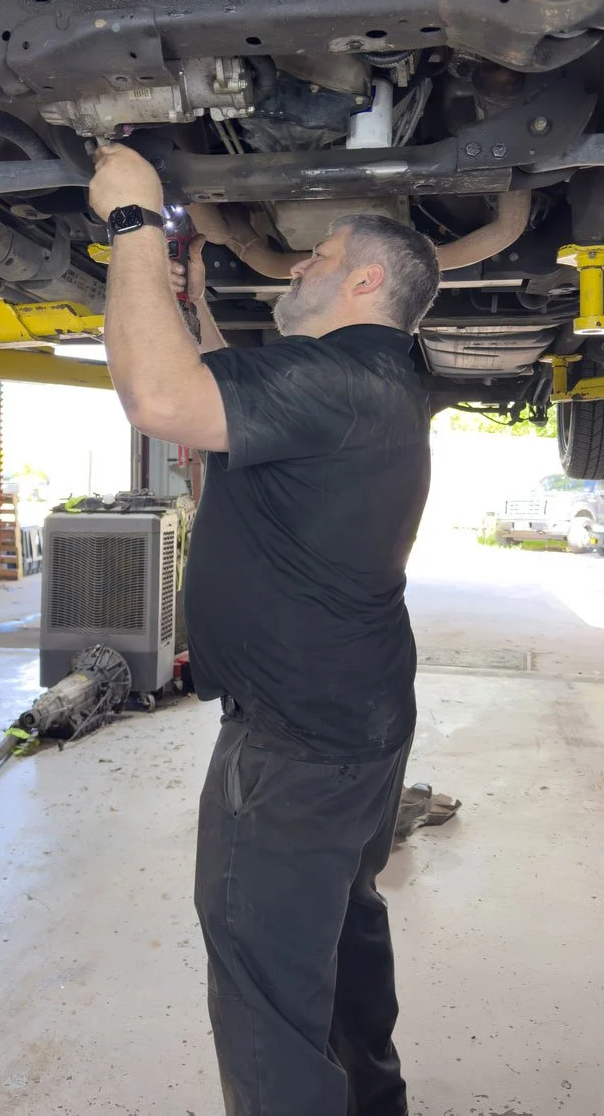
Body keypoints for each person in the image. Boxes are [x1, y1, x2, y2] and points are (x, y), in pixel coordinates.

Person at [89, 143, 440, 1116]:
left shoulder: (340, 386)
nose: (296, 263)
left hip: (295, 741)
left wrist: (130, 222)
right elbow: (217, 400)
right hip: (354, 719)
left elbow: (162, 400)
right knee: (335, 931)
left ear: (365, 279)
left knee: (263, 984)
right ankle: (373, 1101)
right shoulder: (371, 384)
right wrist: (179, 299)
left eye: (319, 255)